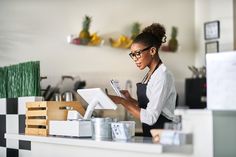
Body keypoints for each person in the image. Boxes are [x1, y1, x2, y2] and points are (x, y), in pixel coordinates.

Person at [108, 23, 179, 137]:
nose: (135, 59)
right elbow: (148, 107)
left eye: (138, 54)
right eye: (133, 55)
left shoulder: (163, 76)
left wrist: (122, 101)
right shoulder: (149, 74)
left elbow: (150, 117)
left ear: (152, 51)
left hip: (163, 135)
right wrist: (129, 99)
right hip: (151, 134)